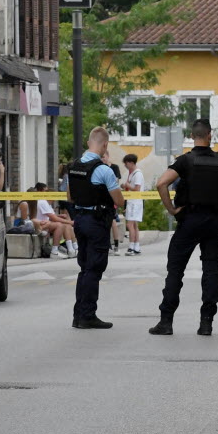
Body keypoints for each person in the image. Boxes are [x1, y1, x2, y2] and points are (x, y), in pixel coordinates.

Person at [150, 120, 218, 337]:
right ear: (210, 135)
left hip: (190, 220)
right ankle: (206, 323)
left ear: (192, 136)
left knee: (175, 270)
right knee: (210, 270)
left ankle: (166, 322)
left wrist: (171, 210)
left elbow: (161, 183)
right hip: (214, 221)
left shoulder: (184, 161)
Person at [66, 127, 126, 329]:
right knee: (94, 268)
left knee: (84, 269)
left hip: (80, 220)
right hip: (97, 222)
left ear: (88, 141)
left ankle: (78, 314)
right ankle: (88, 315)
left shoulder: (73, 167)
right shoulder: (103, 170)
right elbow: (120, 200)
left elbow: (70, 198)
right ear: (105, 145)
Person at [25, 182, 76, 258]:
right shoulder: (42, 201)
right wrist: (71, 222)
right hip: (39, 225)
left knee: (65, 224)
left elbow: (51, 216)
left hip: (41, 224)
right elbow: (53, 218)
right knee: (61, 225)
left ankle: (73, 249)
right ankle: (57, 251)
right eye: (45, 191)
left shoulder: (41, 201)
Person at [121, 154, 145, 255]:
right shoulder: (132, 173)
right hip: (132, 201)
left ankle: (131, 247)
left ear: (131, 163)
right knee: (134, 225)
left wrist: (127, 185)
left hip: (135, 202)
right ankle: (136, 246)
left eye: (126, 164)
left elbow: (137, 189)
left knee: (130, 224)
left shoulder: (137, 174)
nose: (125, 166)